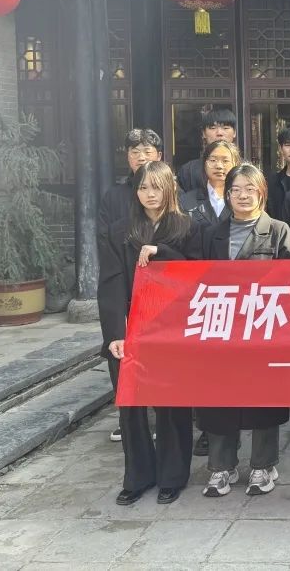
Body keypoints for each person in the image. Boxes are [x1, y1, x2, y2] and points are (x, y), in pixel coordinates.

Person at [98, 161, 201, 506]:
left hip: (172, 329)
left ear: (170, 188)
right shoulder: (120, 230)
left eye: (156, 187)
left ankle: (172, 475)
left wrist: (163, 252)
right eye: (143, 188)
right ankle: (137, 476)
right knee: (131, 405)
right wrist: (115, 333)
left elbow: (199, 274)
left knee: (172, 404)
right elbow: (110, 282)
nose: (149, 194)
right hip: (131, 329)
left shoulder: (188, 226)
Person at [200, 163, 290, 498]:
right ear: (227, 195)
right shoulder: (211, 233)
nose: (243, 195)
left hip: (263, 328)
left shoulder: (279, 230)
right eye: (236, 190)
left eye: (250, 189)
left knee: (263, 399)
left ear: (262, 193)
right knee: (219, 398)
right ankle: (221, 466)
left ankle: (263, 465)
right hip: (222, 327)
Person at [97, 128, 164, 445]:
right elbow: (104, 241)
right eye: (135, 152)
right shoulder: (114, 196)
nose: (141, 157)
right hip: (125, 283)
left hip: (162, 297)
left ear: (159, 156)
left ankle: (164, 416)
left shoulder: (172, 199)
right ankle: (130, 420)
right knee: (122, 354)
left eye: (147, 151)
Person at [180, 140, 241, 228]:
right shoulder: (186, 201)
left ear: (236, 164)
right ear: (204, 164)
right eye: (213, 160)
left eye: (225, 161)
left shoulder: (244, 199)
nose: (219, 166)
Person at [177, 108, 238, 193]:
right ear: (203, 133)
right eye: (213, 128)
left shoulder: (245, 168)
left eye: (225, 128)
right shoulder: (188, 171)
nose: (219, 133)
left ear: (234, 133)